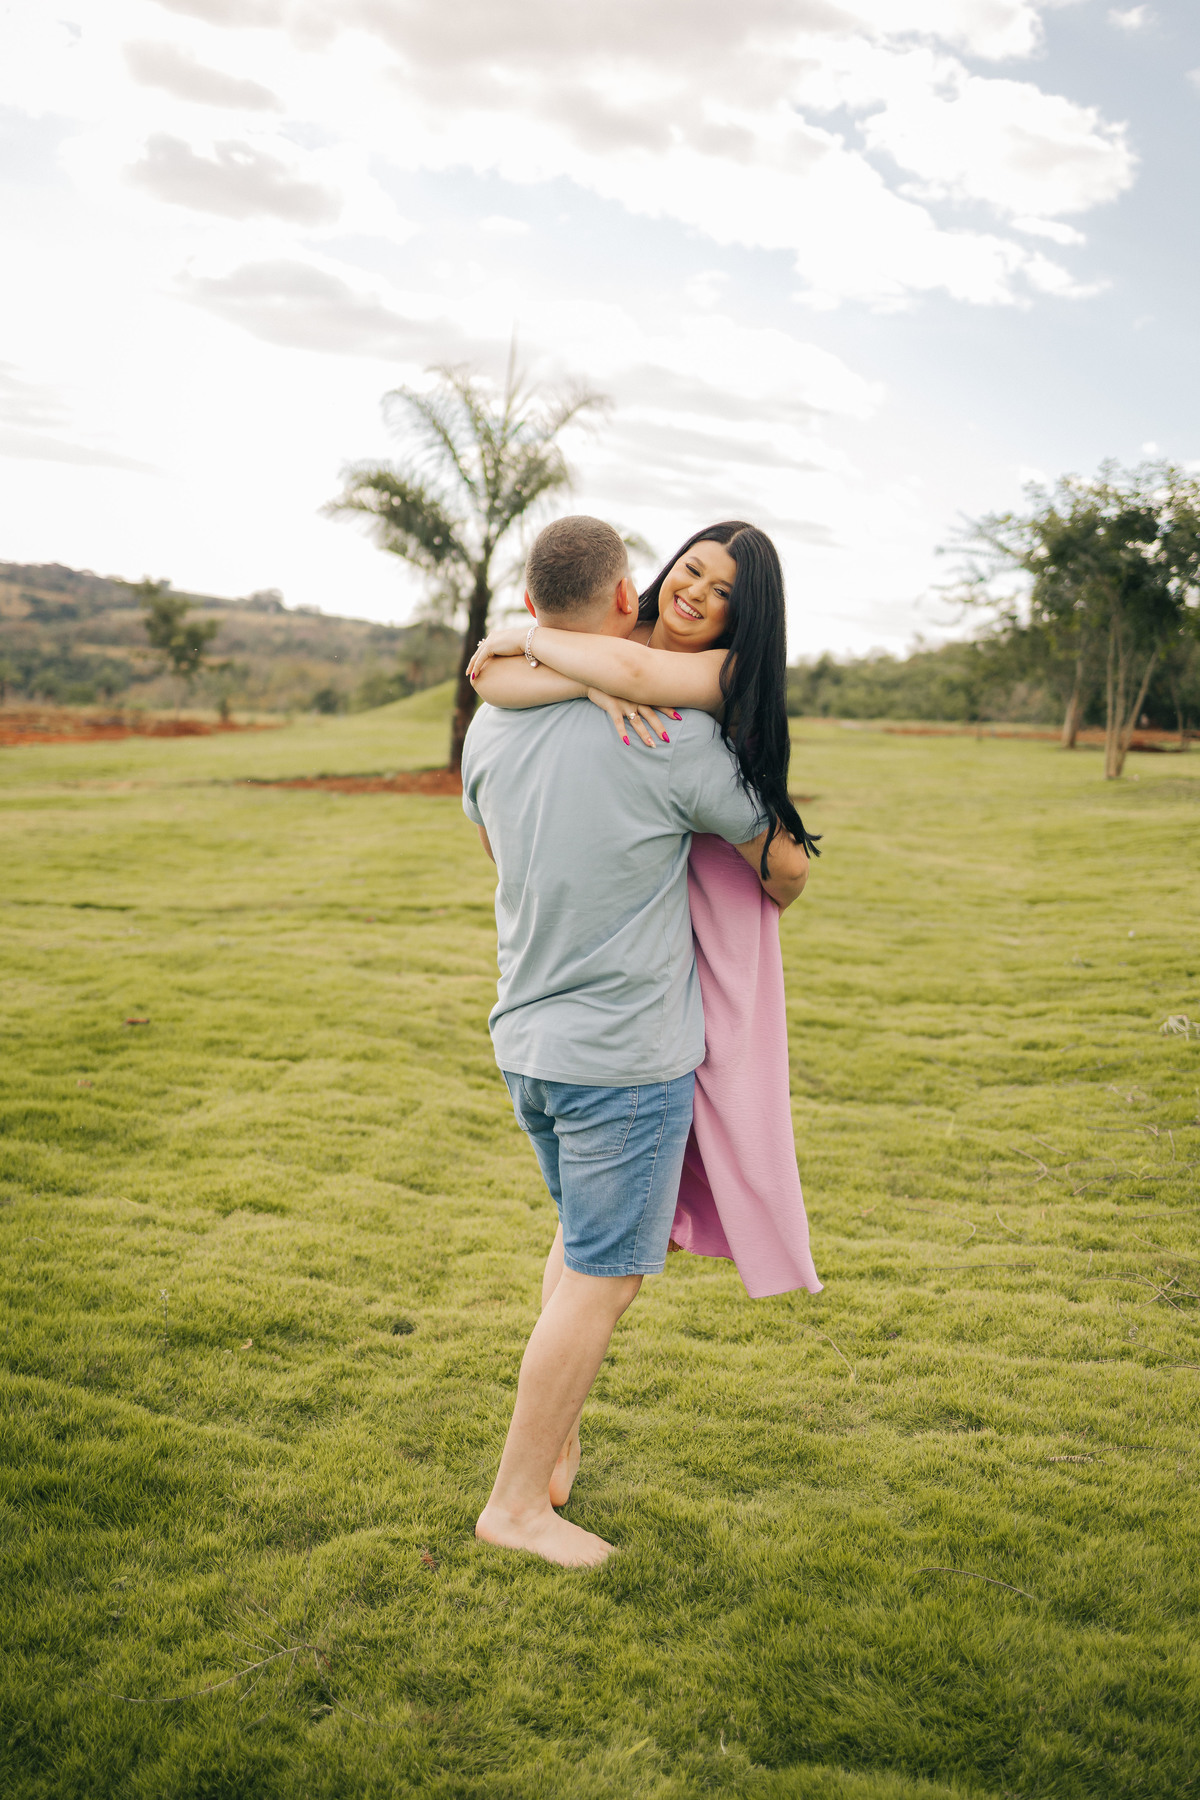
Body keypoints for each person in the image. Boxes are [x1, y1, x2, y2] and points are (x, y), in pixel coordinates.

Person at [461, 515, 809, 1568]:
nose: (698, 592)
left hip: (526, 1037)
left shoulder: (492, 726)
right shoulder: (676, 741)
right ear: (633, 593)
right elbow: (787, 869)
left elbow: (505, 840)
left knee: (580, 1247)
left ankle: (552, 1449)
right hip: (621, 1056)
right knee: (605, 1276)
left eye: (722, 587)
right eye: (691, 572)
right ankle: (516, 1507)